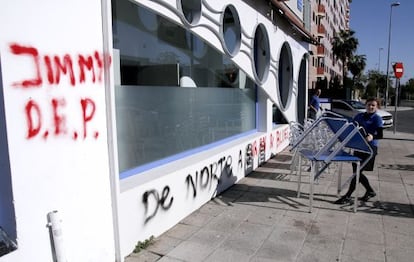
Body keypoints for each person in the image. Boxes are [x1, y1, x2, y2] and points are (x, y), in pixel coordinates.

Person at [334, 97, 383, 204]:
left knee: (357, 173)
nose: (370, 107)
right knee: (357, 172)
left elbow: (380, 134)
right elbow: (351, 126)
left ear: (377, 107)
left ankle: (347, 196)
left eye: (373, 105)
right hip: (359, 146)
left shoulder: (377, 119)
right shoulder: (359, 116)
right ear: (365, 105)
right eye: (369, 104)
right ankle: (370, 191)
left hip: (370, 148)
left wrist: (372, 136)